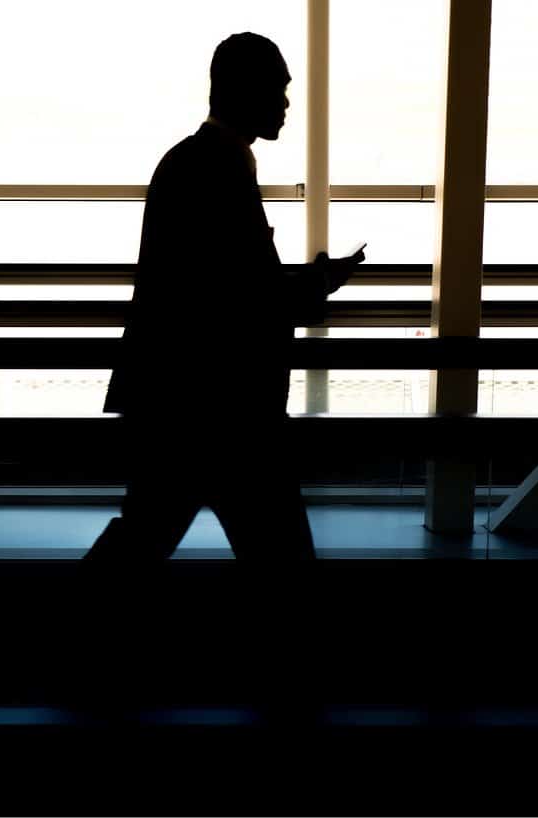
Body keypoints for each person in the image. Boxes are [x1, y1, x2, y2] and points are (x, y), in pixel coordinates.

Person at [86, 32, 363, 562]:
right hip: (226, 412)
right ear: (245, 90)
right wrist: (320, 283)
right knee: (279, 554)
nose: (286, 103)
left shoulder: (191, 160)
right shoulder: (222, 166)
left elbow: (221, 282)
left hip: (181, 405)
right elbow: (247, 295)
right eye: (278, 90)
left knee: (141, 539)